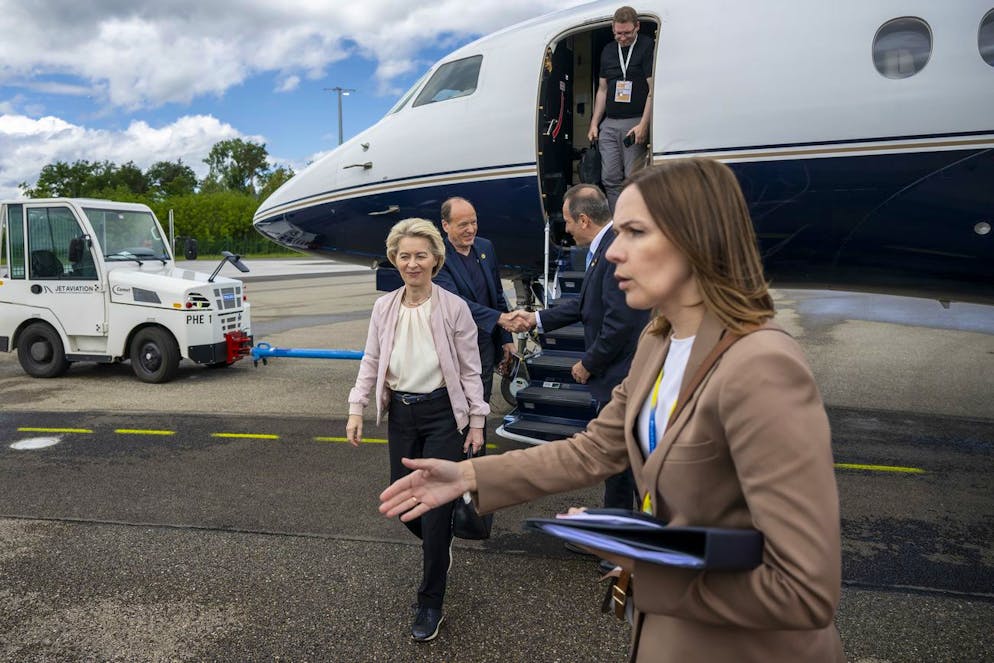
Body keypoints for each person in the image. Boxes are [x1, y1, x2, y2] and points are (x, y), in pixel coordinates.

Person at [380, 159, 844, 662]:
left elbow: (804, 590)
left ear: (697, 239)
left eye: (635, 232)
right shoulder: (659, 341)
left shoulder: (762, 366)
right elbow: (593, 450)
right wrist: (466, 475)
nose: (615, 251)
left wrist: (644, 558)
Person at [346, 218, 489, 643]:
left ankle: (430, 602)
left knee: (436, 508)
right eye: (404, 256)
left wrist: (477, 422)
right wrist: (357, 408)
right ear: (395, 259)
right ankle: (439, 538)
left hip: (444, 413)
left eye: (421, 255)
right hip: (401, 414)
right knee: (403, 498)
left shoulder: (454, 308)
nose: (412, 263)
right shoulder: (383, 307)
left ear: (435, 260)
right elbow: (371, 361)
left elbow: (469, 369)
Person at [509, 184, 648, 522]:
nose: (566, 229)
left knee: (618, 458)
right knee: (623, 458)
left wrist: (589, 362)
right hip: (618, 373)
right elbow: (586, 304)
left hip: (619, 375)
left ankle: (618, 535)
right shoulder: (605, 249)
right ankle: (623, 525)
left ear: (584, 220)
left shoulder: (614, 251)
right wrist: (537, 319)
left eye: (569, 222)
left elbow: (620, 322)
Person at [433, 197, 518, 406]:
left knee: (482, 399)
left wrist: (506, 339)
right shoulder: (438, 257)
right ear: (446, 225)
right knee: (457, 403)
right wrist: (500, 318)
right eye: (463, 225)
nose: (471, 229)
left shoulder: (485, 247)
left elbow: (497, 295)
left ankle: (479, 436)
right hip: (457, 346)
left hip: (486, 343)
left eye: (474, 222)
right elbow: (455, 303)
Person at [588, 6, 654, 211]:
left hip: (634, 122)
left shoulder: (646, 46)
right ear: (612, 29)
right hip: (609, 123)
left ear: (637, 27)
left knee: (632, 179)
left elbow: (653, 90)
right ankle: (619, 223)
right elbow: (602, 90)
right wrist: (594, 124)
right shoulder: (608, 50)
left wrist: (643, 124)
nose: (623, 38)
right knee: (609, 178)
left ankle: (636, 220)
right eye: (618, 33)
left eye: (627, 33)